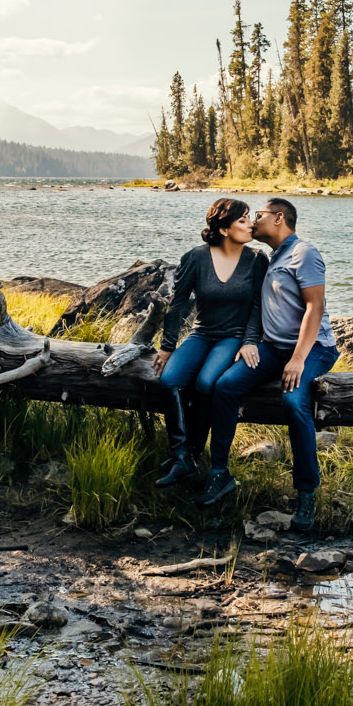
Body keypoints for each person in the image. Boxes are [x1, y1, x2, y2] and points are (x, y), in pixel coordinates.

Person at [198, 197, 337, 530]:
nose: (253, 220)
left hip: (314, 348)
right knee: (225, 386)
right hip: (273, 349)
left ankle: (306, 494)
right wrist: (250, 343)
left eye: (258, 215)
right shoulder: (272, 257)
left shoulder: (305, 253)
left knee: (293, 401)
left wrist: (299, 359)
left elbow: (314, 309)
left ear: (278, 218)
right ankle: (219, 474)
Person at [150, 197, 267, 488]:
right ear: (225, 229)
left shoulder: (256, 260)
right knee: (170, 379)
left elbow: (257, 307)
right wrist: (167, 346)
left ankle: (192, 452)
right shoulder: (196, 257)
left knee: (205, 383)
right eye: (243, 220)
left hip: (233, 337)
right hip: (202, 333)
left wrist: (250, 341)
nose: (250, 224)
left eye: (249, 218)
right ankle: (182, 457)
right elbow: (178, 305)